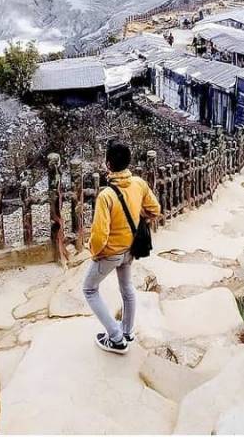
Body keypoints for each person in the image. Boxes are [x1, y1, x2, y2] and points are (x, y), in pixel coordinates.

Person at [82, 141, 161, 354]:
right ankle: (126, 331)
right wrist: (137, 219)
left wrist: (95, 253)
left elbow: (100, 235)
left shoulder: (106, 195)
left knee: (89, 289)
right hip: (130, 250)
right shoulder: (139, 184)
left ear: (108, 164)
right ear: (128, 162)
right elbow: (155, 209)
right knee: (127, 289)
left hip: (111, 253)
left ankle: (116, 338)